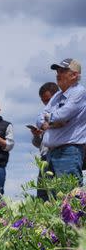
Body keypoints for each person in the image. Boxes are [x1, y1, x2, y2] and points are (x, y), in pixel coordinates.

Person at [37, 58, 86, 188]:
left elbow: (62, 115)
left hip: (69, 151)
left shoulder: (79, 92)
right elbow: (39, 119)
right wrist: (50, 122)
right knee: (54, 199)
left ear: (74, 75)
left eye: (63, 71)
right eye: (57, 71)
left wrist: (48, 120)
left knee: (70, 196)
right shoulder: (57, 95)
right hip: (52, 153)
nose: (58, 74)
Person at [30, 82, 59, 200]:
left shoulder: (64, 113)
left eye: (48, 100)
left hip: (58, 155)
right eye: (43, 101)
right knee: (42, 195)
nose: (46, 103)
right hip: (44, 158)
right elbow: (38, 144)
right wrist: (36, 135)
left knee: (57, 192)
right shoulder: (42, 116)